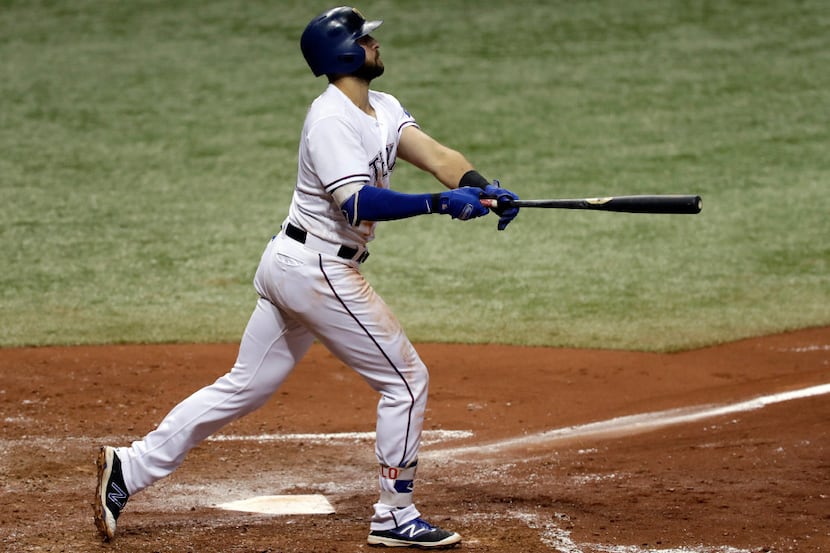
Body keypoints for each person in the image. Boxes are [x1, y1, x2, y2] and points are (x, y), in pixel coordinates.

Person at [94, 5, 519, 549]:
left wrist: (481, 184)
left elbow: (436, 155)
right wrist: (440, 204)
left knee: (244, 386)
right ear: (343, 53)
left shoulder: (381, 107)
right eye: (365, 40)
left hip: (293, 263)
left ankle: (127, 469)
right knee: (406, 382)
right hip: (319, 270)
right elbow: (358, 201)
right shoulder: (330, 119)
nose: (374, 46)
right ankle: (395, 513)